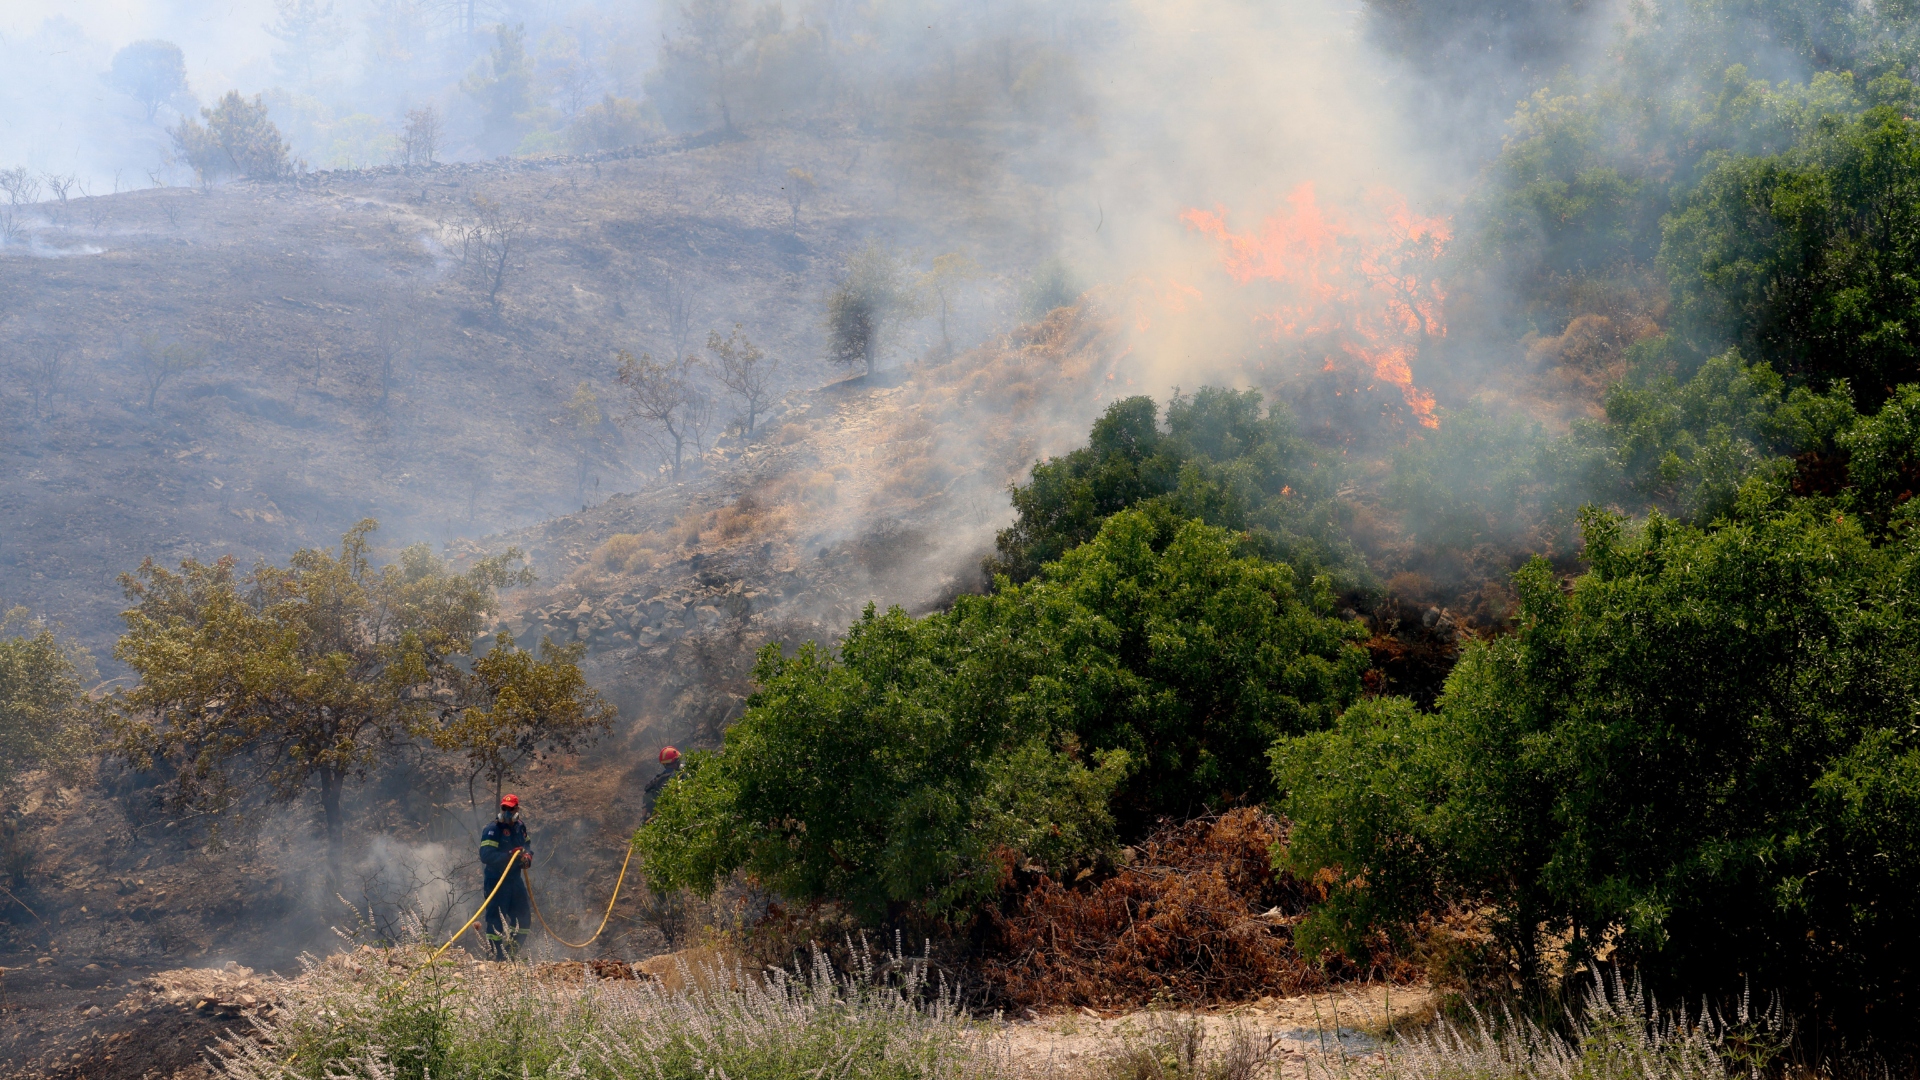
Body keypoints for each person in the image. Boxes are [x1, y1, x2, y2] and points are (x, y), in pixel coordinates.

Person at [478, 793, 533, 960]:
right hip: (496, 881)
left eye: (511, 809)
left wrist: (527, 857)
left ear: (517, 809)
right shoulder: (493, 829)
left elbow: (527, 845)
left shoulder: (520, 827)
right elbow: (486, 855)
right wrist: (510, 855)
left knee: (523, 919)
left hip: (514, 880)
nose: (507, 812)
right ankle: (496, 958)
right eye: (504, 808)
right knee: (495, 921)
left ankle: (510, 955)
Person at [642, 746, 681, 819]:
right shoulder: (681, 774)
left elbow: (647, 796)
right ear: (675, 762)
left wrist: (643, 818)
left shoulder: (658, 779)